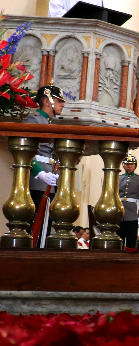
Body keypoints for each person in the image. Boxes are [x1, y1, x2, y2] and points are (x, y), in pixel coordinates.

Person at [23, 86, 65, 247]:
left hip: (50, 179)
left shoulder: (48, 123)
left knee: (44, 227)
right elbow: (26, 152)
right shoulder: (32, 120)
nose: (62, 105)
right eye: (59, 101)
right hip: (37, 179)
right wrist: (40, 173)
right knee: (34, 226)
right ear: (47, 101)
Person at [116, 156, 139, 246]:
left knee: (131, 236)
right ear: (123, 165)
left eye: (131, 164)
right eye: (127, 164)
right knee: (119, 235)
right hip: (120, 209)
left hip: (132, 210)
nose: (129, 166)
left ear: (135, 166)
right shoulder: (118, 178)